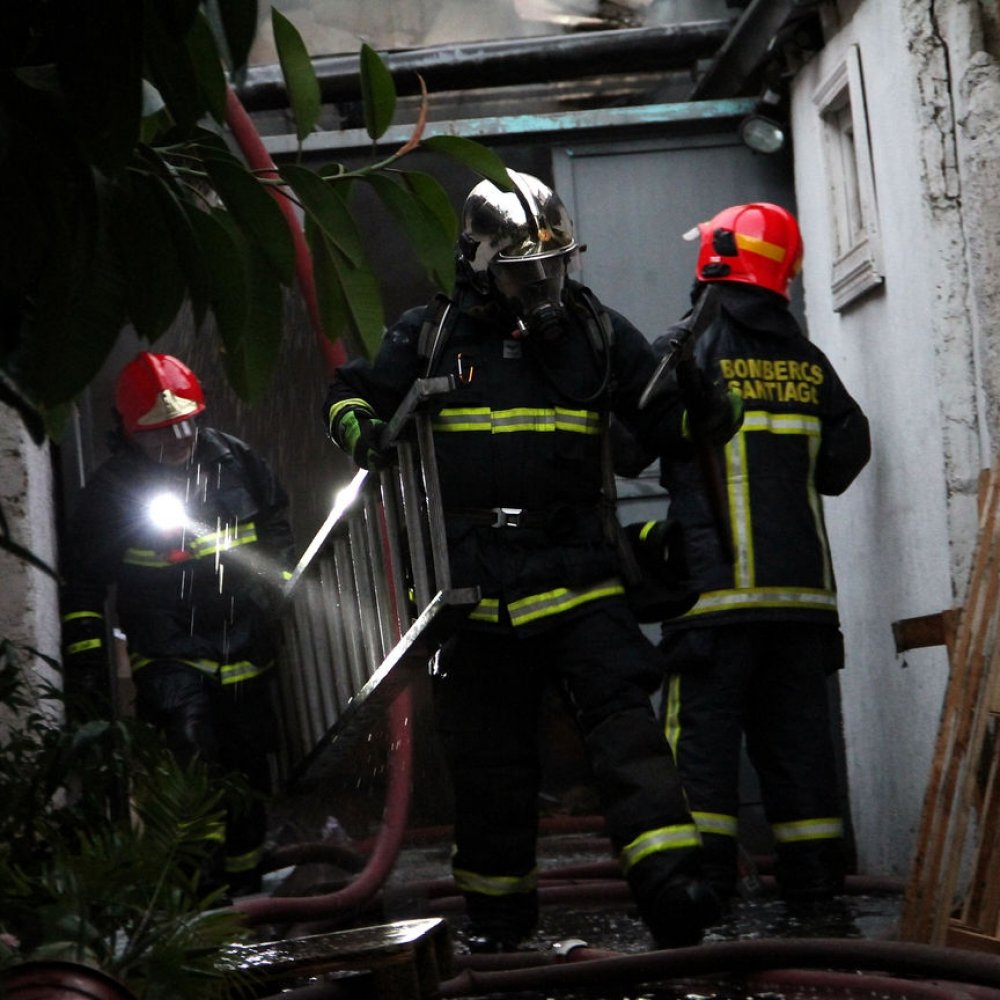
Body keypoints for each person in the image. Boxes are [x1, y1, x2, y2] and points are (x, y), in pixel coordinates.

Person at [322, 170, 743, 951]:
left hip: (579, 573)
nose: (544, 281)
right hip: (474, 590)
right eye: (524, 268)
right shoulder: (430, 334)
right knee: (491, 766)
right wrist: (364, 435)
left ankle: (674, 891)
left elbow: (666, 425)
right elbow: (348, 397)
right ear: (480, 262)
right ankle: (500, 923)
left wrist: (709, 402)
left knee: (627, 735)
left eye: (554, 264)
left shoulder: (594, 332)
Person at [647, 202, 871, 908]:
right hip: (802, 605)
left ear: (712, 256)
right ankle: (816, 898)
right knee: (801, 756)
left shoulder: (685, 349)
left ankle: (703, 904)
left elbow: (626, 447)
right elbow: (845, 455)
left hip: (712, 603)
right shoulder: (809, 362)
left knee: (701, 763)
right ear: (781, 271)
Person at [60, 351, 295, 897]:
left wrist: (274, 584)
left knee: (248, 767)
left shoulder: (236, 460)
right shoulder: (111, 492)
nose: (181, 436)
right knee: (191, 766)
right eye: (164, 430)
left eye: (189, 421)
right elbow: (84, 585)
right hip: (169, 649)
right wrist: (89, 665)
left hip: (243, 641)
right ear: (130, 433)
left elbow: (274, 522)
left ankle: (249, 894)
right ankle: (203, 898)